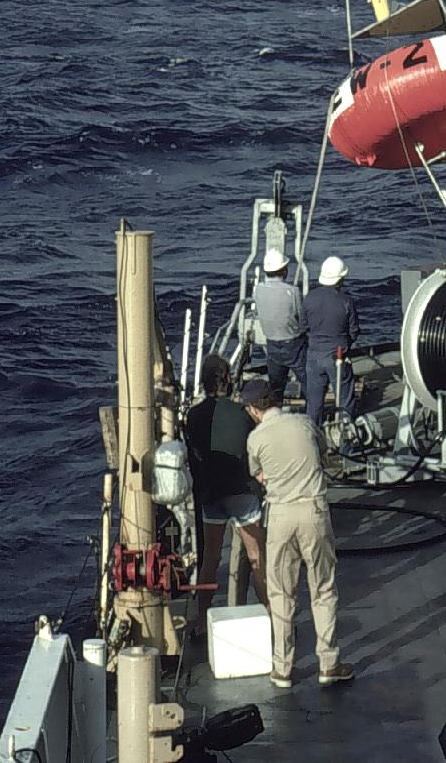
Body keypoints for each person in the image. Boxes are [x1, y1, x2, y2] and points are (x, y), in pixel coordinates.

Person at [243, 377, 354, 689]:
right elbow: (323, 451)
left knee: (281, 593)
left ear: (253, 410)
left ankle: (282, 668)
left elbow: (257, 472)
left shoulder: (256, 438)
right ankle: (329, 663)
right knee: (323, 588)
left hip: (280, 516)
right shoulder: (304, 422)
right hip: (313, 511)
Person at [185, 354, 267, 637]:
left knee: (210, 558)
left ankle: (201, 619)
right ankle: (272, 613)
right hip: (242, 492)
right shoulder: (243, 414)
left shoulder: (193, 417)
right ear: (229, 380)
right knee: (256, 555)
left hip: (211, 495)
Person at [303, 257, 360, 429]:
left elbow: (303, 327)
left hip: (314, 355)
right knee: (344, 402)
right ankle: (345, 444)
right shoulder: (346, 301)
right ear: (340, 278)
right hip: (338, 356)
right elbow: (354, 331)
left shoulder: (309, 298)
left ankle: (312, 440)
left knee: (313, 405)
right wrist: (346, 344)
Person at [254, 247, 308, 404]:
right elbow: (300, 317)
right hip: (294, 345)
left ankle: (276, 414)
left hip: (272, 344)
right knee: (308, 382)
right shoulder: (292, 291)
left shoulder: (257, 290)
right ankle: (311, 416)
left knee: (276, 388)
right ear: (283, 270)